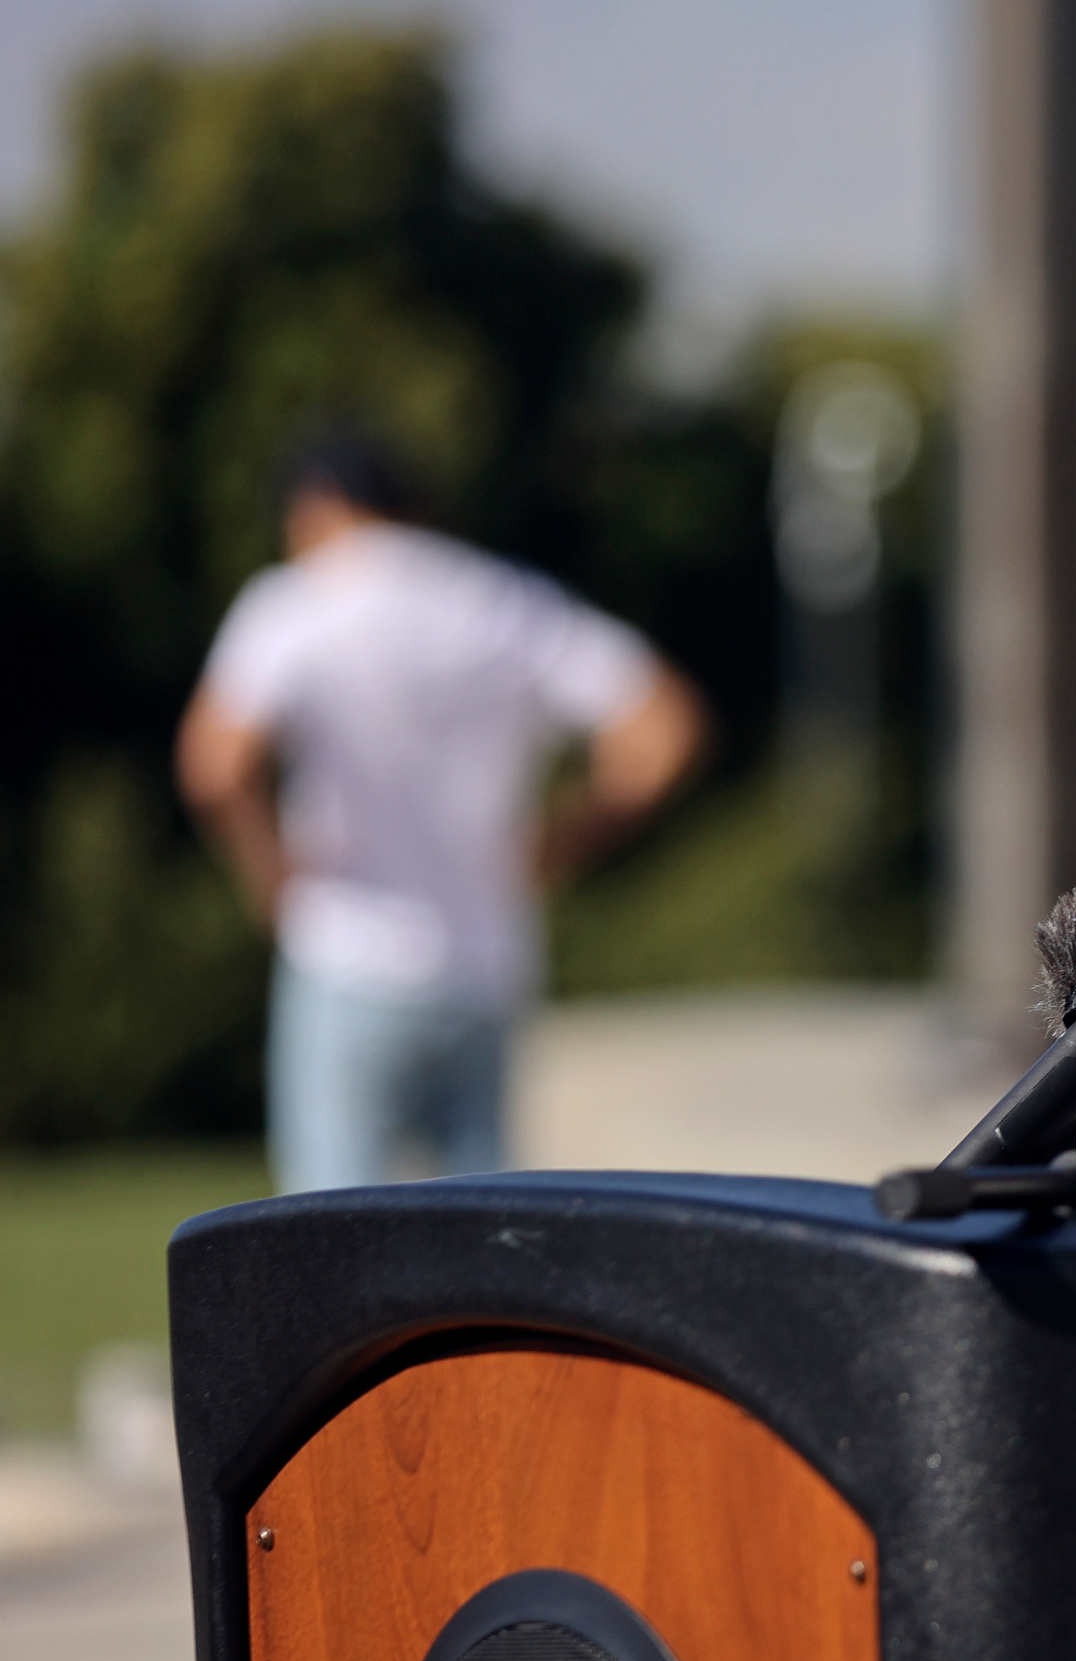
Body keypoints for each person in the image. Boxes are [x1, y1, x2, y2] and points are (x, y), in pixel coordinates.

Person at [177, 429, 706, 1193]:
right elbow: (667, 727)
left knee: (329, 1238)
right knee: (479, 1244)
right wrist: (566, 837)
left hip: (347, 952)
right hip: (485, 962)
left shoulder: (295, 603)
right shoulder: (503, 602)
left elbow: (214, 764)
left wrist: (271, 876)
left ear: (315, 507)